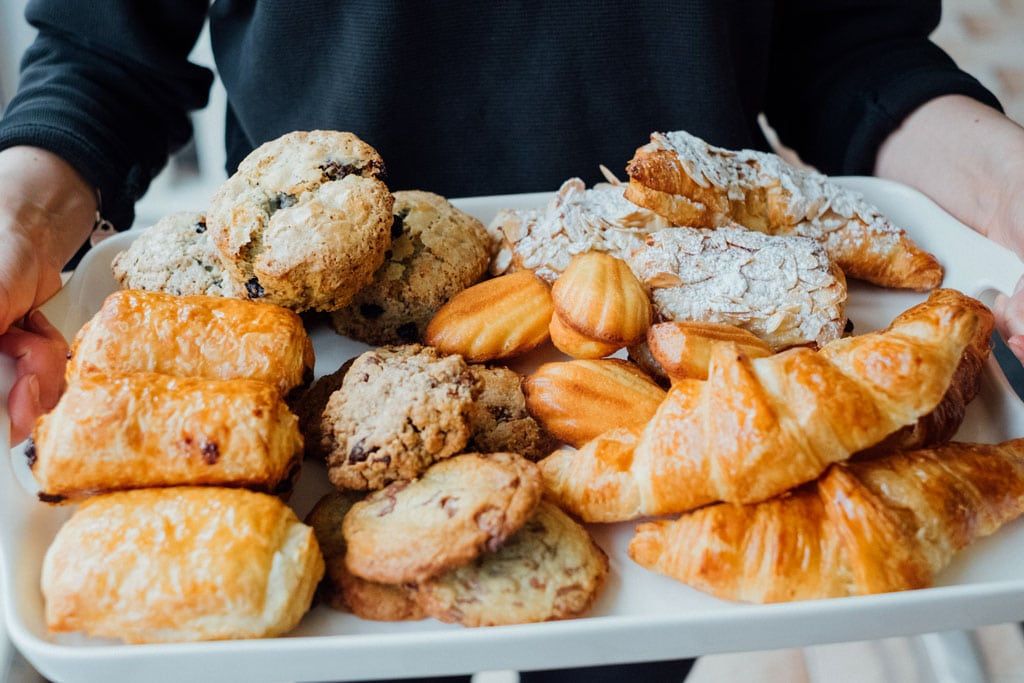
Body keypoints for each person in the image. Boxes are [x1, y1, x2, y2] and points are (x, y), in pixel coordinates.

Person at [0, 1, 1023, 680]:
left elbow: (846, 45)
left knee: (613, 655)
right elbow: (104, 52)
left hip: (664, 389)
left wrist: (1000, 188)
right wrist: (21, 219)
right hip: (302, 370)